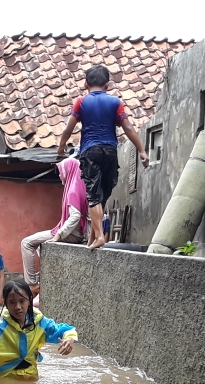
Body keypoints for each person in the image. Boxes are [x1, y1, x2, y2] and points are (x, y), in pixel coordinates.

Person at [57, 65, 148, 249]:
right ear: (107, 85)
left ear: (85, 84)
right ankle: (92, 237)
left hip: (90, 151)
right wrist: (142, 151)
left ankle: (99, 236)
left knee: (93, 195)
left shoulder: (81, 102)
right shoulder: (115, 102)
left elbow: (69, 128)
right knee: (102, 195)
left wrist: (61, 148)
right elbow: (128, 128)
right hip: (110, 151)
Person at [20, 157, 88, 294]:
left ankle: (32, 284)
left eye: (61, 171)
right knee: (40, 244)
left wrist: (59, 235)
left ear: (69, 170)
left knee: (26, 243)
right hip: (79, 232)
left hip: (73, 234)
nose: (59, 175)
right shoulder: (80, 185)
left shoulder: (73, 190)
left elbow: (75, 216)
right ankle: (41, 277)